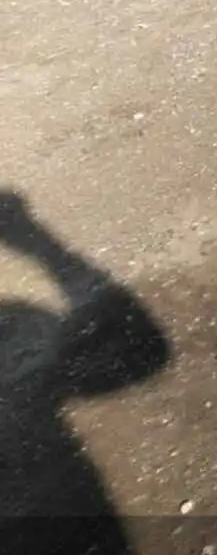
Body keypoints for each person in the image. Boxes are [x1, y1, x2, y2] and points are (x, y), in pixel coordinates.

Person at [0, 191, 170, 555]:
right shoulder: (11, 332)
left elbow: (140, 350)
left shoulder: (11, 332)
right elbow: (141, 350)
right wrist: (35, 240)